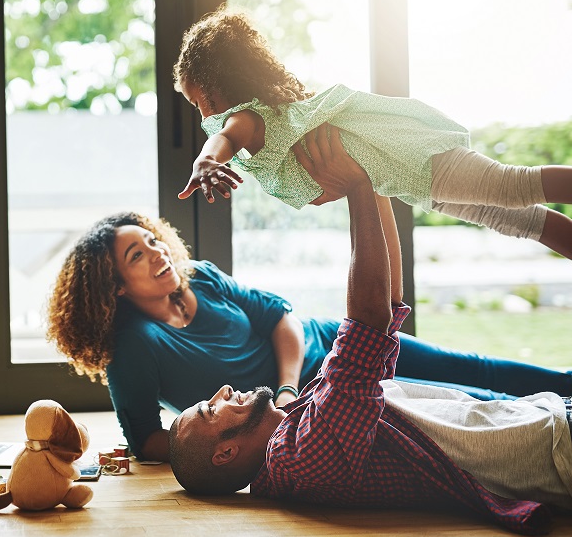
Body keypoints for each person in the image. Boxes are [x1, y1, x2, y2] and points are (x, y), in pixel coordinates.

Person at [45, 125, 572, 464]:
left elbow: (281, 318)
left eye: (153, 240)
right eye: (138, 255)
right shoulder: (134, 345)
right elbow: (148, 440)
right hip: (321, 409)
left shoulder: (199, 276)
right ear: (112, 285)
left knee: (475, 369)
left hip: (333, 347)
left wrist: (287, 387)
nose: (159, 252)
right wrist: (258, 441)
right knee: (467, 407)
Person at [168, 143, 572, 535]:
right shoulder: (298, 457)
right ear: (225, 453)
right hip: (554, 448)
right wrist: (356, 188)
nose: (221, 391)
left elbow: (388, 305)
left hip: (545, 421)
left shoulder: (299, 425)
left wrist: (372, 180)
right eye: (209, 409)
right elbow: (369, 320)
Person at [173, 6, 572, 260]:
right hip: (409, 177)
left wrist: (206, 161)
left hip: (413, 158)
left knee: (512, 186)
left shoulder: (248, 119)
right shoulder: (277, 119)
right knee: (518, 220)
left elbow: (222, 139)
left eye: (197, 103)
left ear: (211, 88)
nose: (202, 115)